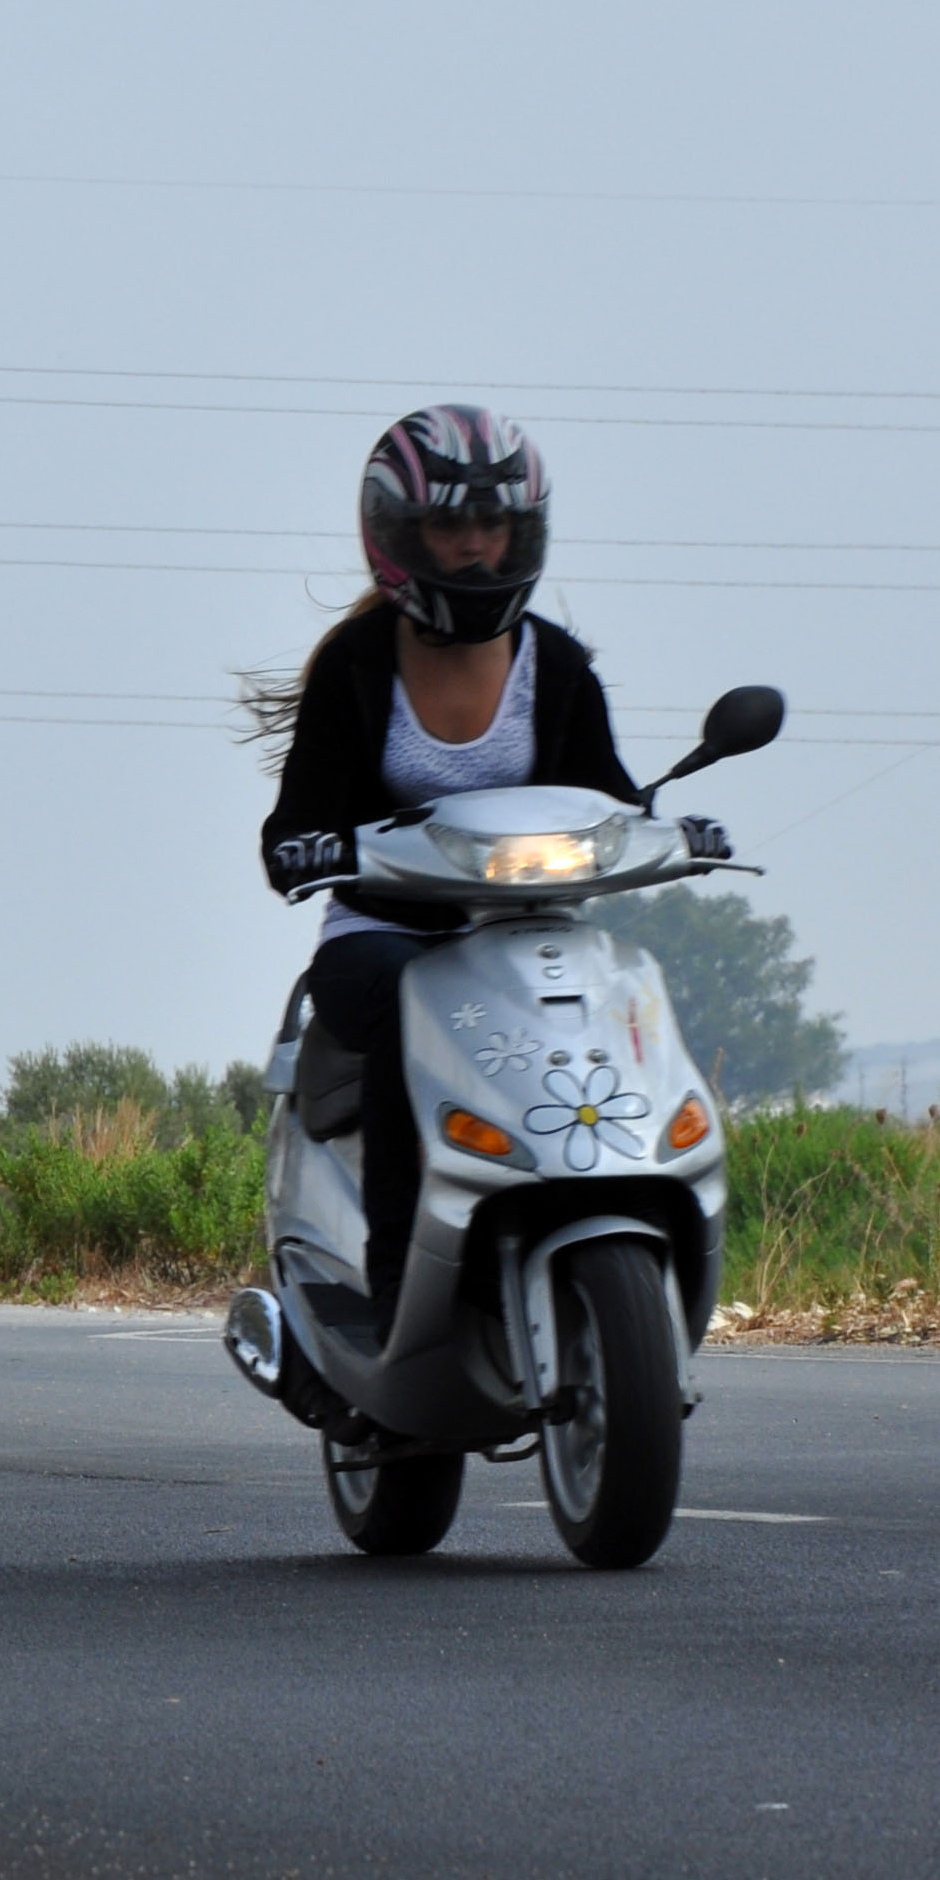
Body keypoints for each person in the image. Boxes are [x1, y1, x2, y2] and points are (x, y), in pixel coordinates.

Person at [254, 405, 640, 1333]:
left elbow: (615, 797)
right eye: (450, 525)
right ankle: (397, 1294)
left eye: (493, 524)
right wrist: (310, 847)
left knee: (622, 991)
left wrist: (675, 830)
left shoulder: (557, 667)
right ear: (398, 533)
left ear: (524, 529)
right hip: (382, 939)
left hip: (526, 940)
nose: (474, 547)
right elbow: (292, 831)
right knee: (405, 1009)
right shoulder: (354, 666)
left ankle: (620, 1232)